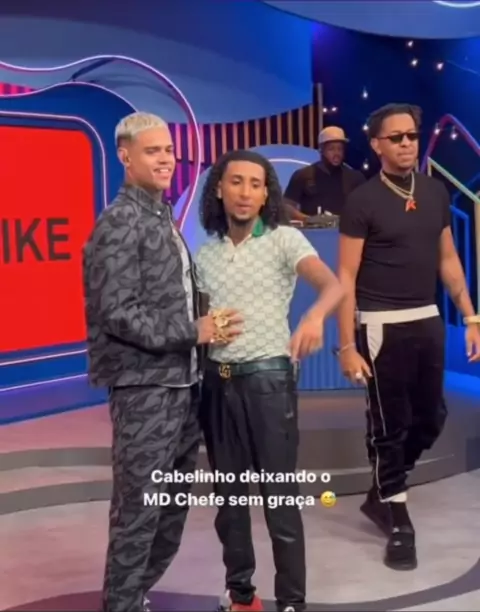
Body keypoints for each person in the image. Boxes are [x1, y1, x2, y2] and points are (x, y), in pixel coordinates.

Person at [82, 112, 242, 612]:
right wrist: (193, 330)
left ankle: (133, 596)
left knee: (169, 510)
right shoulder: (119, 222)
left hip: (182, 385)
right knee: (139, 511)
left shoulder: (159, 217)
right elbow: (117, 312)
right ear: (125, 156)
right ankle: (122, 603)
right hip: (144, 390)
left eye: (169, 150)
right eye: (153, 151)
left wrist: (206, 322)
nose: (166, 159)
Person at [194, 150, 345, 612]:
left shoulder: (283, 239)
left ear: (266, 195)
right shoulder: (206, 253)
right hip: (217, 384)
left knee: (279, 499)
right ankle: (242, 595)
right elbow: (199, 320)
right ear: (219, 189)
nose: (245, 192)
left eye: (256, 184)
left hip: (268, 384)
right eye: (236, 182)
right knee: (229, 503)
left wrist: (314, 318)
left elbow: (334, 285)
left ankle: (292, 603)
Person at [336, 103, 480, 571]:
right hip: (380, 323)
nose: (406, 144)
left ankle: (382, 489)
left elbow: (448, 260)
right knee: (389, 423)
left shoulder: (435, 191)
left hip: (427, 317)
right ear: (376, 144)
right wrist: (347, 345)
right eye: (395, 137)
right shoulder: (362, 200)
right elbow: (345, 277)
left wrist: (471, 316)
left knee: (432, 417)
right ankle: (397, 514)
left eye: (411, 136)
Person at [283, 126, 365, 221]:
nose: (336, 153)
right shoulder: (302, 175)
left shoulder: (355, 177)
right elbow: (286, 206)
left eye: (340, 149)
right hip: (312, 229)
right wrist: (308, 219)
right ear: (321, 150)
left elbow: (366, 206)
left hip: (345, 229)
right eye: (331, 149)